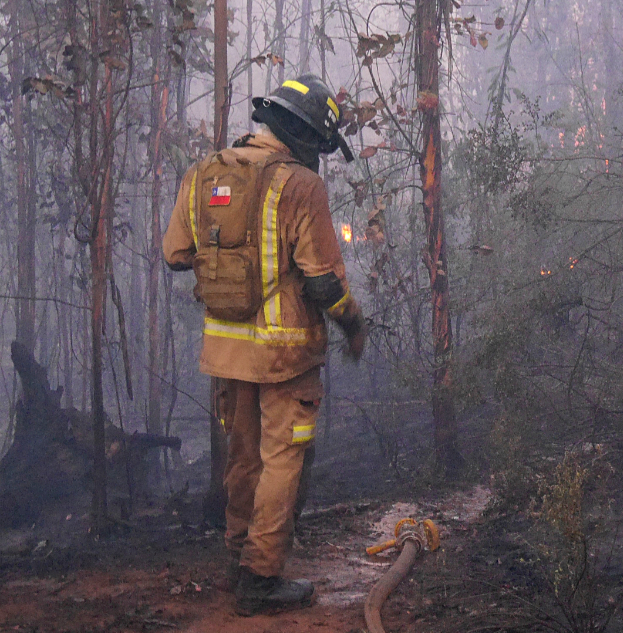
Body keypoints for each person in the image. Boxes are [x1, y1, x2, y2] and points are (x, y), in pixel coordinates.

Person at [162, 74, 364, 616]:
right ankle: (261, 575)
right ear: (303, 136)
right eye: (320, 145)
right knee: (282, 459)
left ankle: (238, 561)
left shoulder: (205, 173)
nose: (319, 157)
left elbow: (176, 253)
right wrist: (353, 324)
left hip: (225, 353)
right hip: (285, 355)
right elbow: (323, 281)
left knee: (243, 456)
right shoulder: (301, 186)